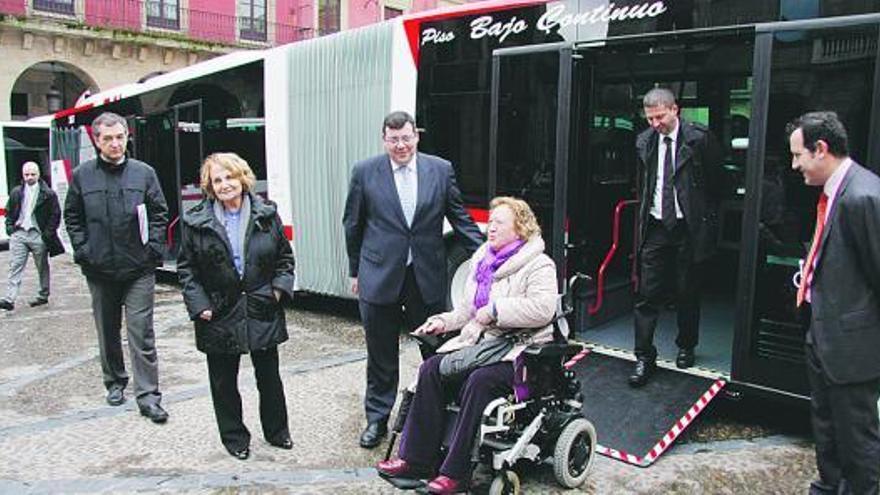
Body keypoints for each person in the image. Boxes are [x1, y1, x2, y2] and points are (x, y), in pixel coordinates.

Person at [376, 196, 557, 494]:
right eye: (492, 220)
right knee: (432, 368)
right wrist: (443, 322)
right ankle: (415, 460)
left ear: (520, 228)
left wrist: (498, 310)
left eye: (499, 222)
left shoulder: (539, 264)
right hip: (483, 345)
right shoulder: (483, 258)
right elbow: (468, 310)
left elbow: (543, 309)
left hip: (520, 351)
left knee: (479, 381)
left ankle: (456, 473)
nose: (491, 227)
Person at [342, 110, 483, 449]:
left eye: (406, 138)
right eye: (394, 140)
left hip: (426, 276)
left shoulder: (440, 169)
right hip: (379, 276)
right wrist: (355, 271)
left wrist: (486, 259)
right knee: (381, 356)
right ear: (384, 140)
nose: (401, 145)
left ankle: (446, 418)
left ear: (416, 137)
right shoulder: (364, 172)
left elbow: (460, 218)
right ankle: (377, 420)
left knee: (437, 352)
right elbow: (352, 224)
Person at [177, 152, 295, 460]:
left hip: (261, 305)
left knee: (269, 377)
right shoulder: (196, 221)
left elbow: (285, 258)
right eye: (217, 180)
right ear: (210, 186)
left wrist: (278, 291)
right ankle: (235, 438)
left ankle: (277, 431)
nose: (225, 184)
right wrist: (199, 304)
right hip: (218, 310)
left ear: (242, 178)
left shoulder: (267, 214)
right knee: (223, 380)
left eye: (230, 177)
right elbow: (186, 269)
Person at [788, 111, 880, 494]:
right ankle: (828, 487)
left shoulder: (864, 197)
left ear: (820, 149)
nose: (795, 166)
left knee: (857, 441)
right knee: (825, 427)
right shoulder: (834, 192)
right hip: (822, 335)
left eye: (798, 156)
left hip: (852, 347)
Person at [63, 112, 169, 423]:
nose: (114, 143)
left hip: (138, 269)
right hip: (100, 270)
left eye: (119, 137)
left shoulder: (144, 173)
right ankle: (114, 382)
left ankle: (149, 396)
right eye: (107, 138)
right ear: (96, 140)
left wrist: (153, 251)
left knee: (142, 333)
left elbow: (160, 214)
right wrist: (84, 252)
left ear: (127, 137)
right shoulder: (82, 176)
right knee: (107, 332)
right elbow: (73, 217)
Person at [629, 87, 722, 387]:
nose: (655, 124)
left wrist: (708, 224)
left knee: (687, 291)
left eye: (660, 117)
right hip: (655, 226)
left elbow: (717, 183)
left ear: (675, 110)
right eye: (650, 118)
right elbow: (642, 186)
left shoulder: (700, 138)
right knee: (646, 294)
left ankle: (686, 345)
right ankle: (644, 356)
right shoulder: (644, 141)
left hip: (688, 228)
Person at [1, 161, 64, 311]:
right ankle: (10, 298)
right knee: (15, 265)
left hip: (38, 234)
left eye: (32, 174)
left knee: (41, 266)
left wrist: (47, 234)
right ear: (22, 175)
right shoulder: (17, 192)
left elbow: (55, 214)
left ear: (39, 174)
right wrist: (10, 228)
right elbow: (10, 211)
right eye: (26, 174)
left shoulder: (48, 194)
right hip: (20, 232)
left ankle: (43, 294)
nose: (29, 177)